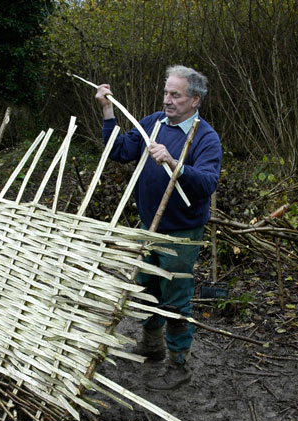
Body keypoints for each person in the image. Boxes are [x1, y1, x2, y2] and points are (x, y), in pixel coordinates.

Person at [95, 65, 222, 390]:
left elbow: (207, 182)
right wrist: (108, 109)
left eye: (175, 95)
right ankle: (152, 347)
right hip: (147, 227)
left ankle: (179, 366)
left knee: (175, 299)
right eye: (166, 93)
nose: (168, 100)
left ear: (195, 99)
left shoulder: (205, 137)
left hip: (181, 234)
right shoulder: (153, 123)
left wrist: (175, 164)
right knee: (145, 289)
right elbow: (120, 151)